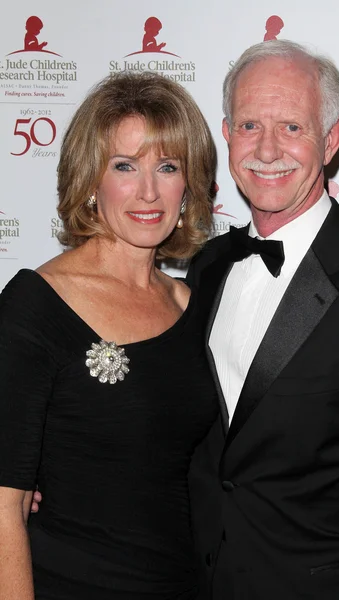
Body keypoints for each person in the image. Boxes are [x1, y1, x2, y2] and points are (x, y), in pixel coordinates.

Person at [187, 40, 339, 599]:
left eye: (292, 128)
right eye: (251, 124)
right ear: (228, 133)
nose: (267, 149)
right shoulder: (207, 267)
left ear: (333, 138)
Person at [0, 71, 218, 600]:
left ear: (188, 185)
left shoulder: (195, 305)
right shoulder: (36, 303)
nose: (148, 191)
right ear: (91, 180)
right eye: (125, 166)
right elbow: (4, 506)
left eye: (167, 167)